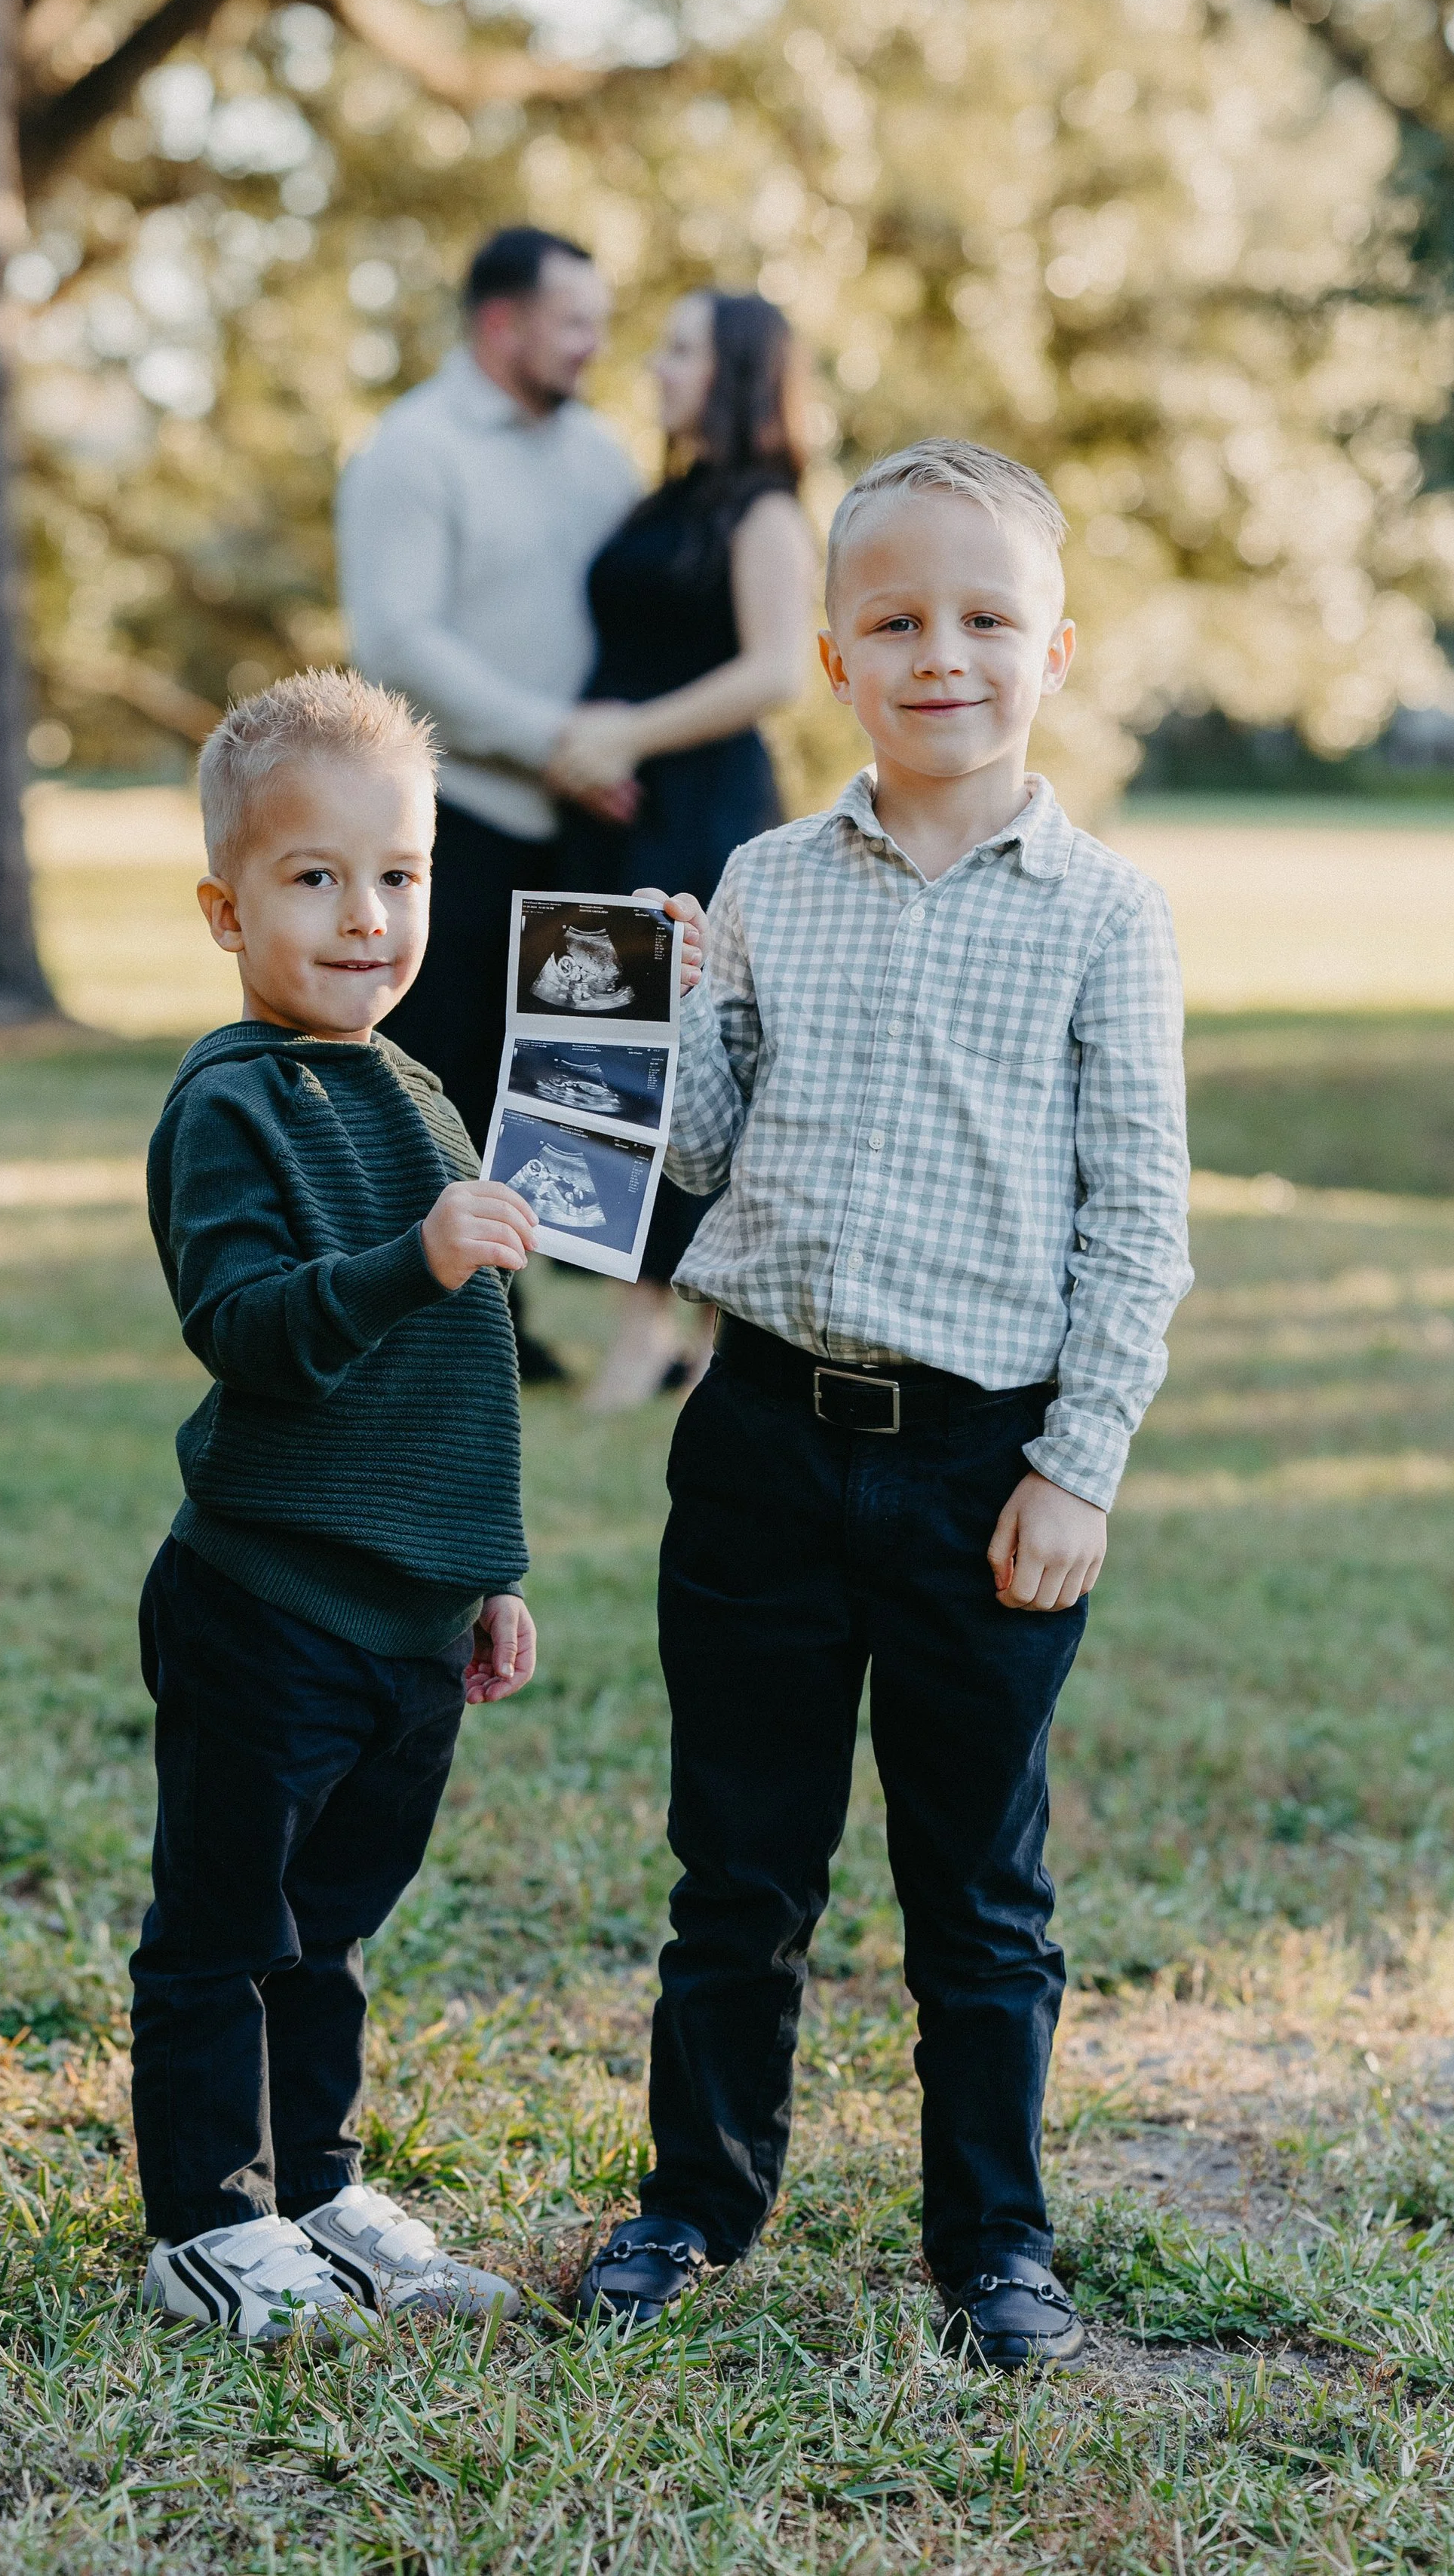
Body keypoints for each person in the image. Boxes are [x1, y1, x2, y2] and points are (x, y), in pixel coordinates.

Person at [578, 442, 1194, 2370]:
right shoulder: (761, 880)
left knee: (977, 1897)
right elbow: (688, 1157)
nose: (944, 654)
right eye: (898, 621)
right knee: (736, 1872)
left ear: (1053, 653)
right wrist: (659, 1015)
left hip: (980, 1469)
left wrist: (1074, 1469)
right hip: (760, 1440)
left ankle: (992, 2245)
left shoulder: (1103, 913)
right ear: (835, 657)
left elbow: (1138, 1219)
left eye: (986, 619)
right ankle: (694, 2202)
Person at [130, 669, 543, 2347]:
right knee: (226, 1926)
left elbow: (462, 1376)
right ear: (228, 907)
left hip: (404, 1625)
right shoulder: (230, 1103)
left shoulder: (419, 1089)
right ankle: (208, 2222)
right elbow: (248, 1327)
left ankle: (320, 2183)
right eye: (315, 879)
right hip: (264, 1604)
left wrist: (488, 1575)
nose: (367, 916)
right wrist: (414, 1252)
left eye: (401, 875)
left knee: (334, 1928)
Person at [336, 227, 642, 1380]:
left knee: (570, 1091)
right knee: (444, 1080)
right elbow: (397, 640)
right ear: (502, 324)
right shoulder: (412, 451)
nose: (594, 343)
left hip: (591, 819)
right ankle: (446, 1325)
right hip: (455, 814)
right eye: (574, 321)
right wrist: (549, 739)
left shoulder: (602, 454)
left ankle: (549, 1317)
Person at [553, 290, 816, 1411]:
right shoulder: (658, 500)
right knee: (598, 1054)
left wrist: (628, 733)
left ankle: (701, 1334)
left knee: (698, 1057)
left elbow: (777, 672)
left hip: (705, 812)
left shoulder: (765, 513)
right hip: (611, 816)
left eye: (678, 352)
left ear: (739, 371)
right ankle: (634, 1321)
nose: (652, 368)